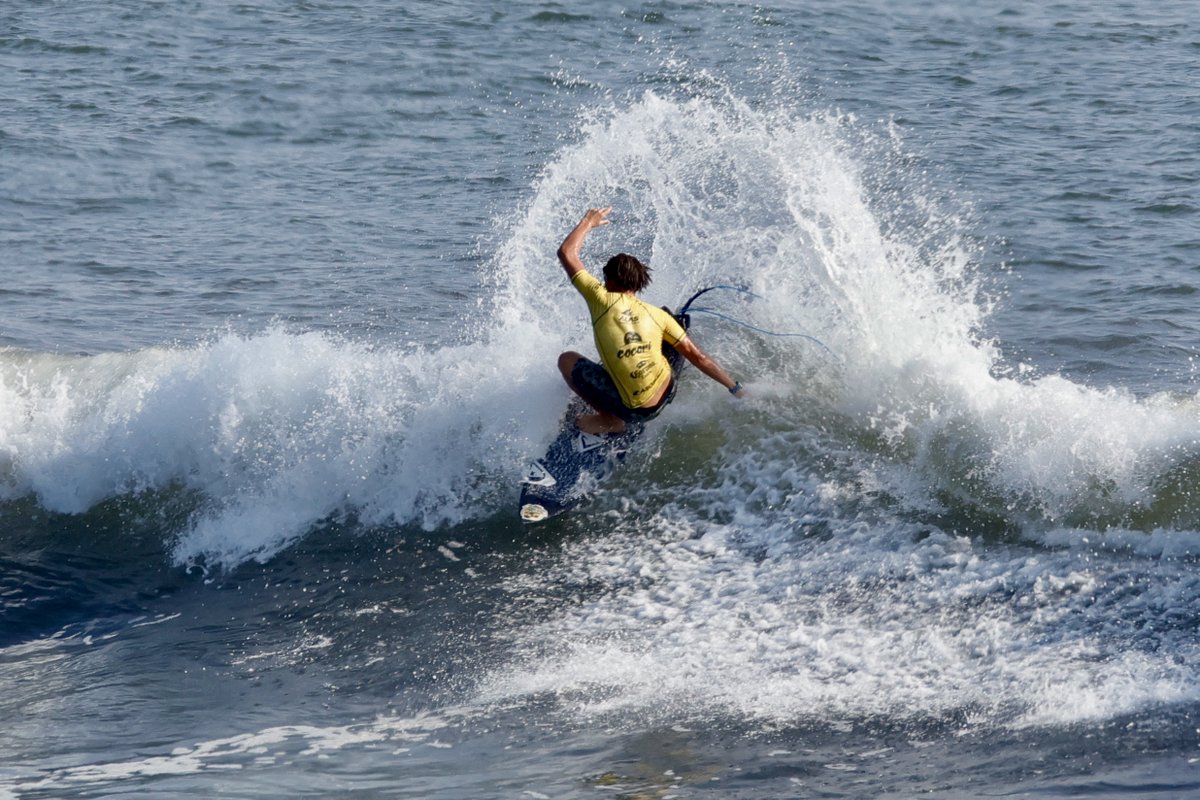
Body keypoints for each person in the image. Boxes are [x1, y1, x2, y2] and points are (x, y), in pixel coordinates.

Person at [556, 206, 746, 435]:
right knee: (670, 328)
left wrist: (588, 220)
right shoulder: (658, 315)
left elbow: (567, 253)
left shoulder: (600, 298)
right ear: (638, 284)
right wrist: (734, 388)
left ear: (609, 281)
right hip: (668, 391)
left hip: (635, 411)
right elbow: (699, 357)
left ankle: (609, 419)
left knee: (567, 359)